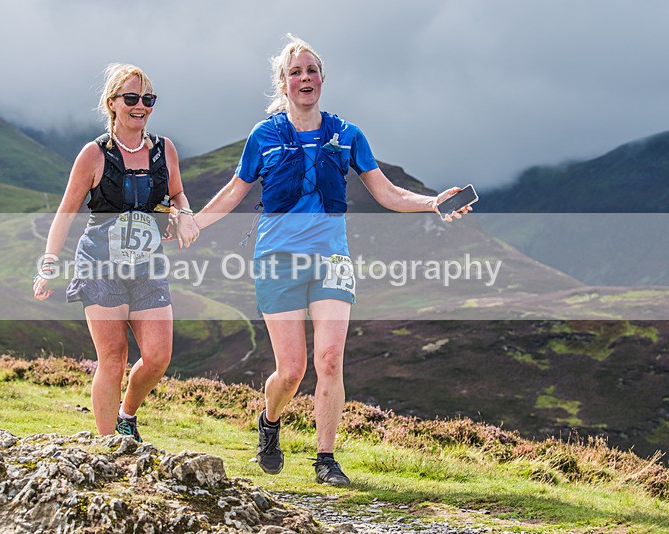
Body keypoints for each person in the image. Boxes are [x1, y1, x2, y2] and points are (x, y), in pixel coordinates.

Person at [192, 35, 470, 486]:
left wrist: (433, 202)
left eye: (312, 71)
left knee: (330, 357)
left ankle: (325, 459)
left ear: (322, 79)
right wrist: (193, 224)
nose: (305, 78)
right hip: (277, 259)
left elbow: (388, 192)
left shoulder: (348, 135)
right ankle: (270, 422)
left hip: (331, 259)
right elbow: (232, 192)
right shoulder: (263, 137)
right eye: (296, 72)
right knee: (292, 370)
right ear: (283, 84)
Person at [33, 63, 199, 440]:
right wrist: (48, 265)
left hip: (148, 267)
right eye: (131, 98)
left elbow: (176, 193)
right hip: (99, 266)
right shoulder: (93, 155)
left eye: (147, 99)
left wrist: (184, 213)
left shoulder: (164, 149)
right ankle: (109, 447)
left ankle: (127, 415)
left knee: (158, 356)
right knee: (113, 358)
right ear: (112, 103)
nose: (140, 106)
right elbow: (66, 211)